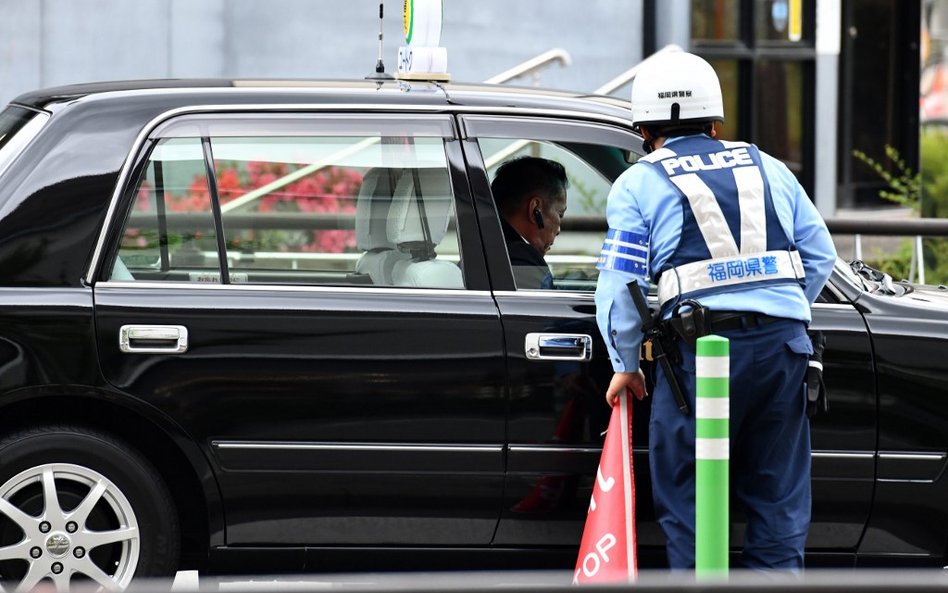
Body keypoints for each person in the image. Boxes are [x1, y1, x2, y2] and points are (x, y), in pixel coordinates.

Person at [594, 51, 837, 570]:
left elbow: (622, 289)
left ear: (642, 127)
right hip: (783, 353)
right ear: (715, 120)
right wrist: (782, 309)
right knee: (778, 506)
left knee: (692, 506)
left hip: (700, 360)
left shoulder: (639, 183)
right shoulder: (768, 166)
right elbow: (820, 256)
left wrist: (625, 365)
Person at [490, 156, 569, 289]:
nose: (559, 230)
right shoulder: (523, 261)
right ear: (535, 210)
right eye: (559, 214)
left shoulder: (482, 249)